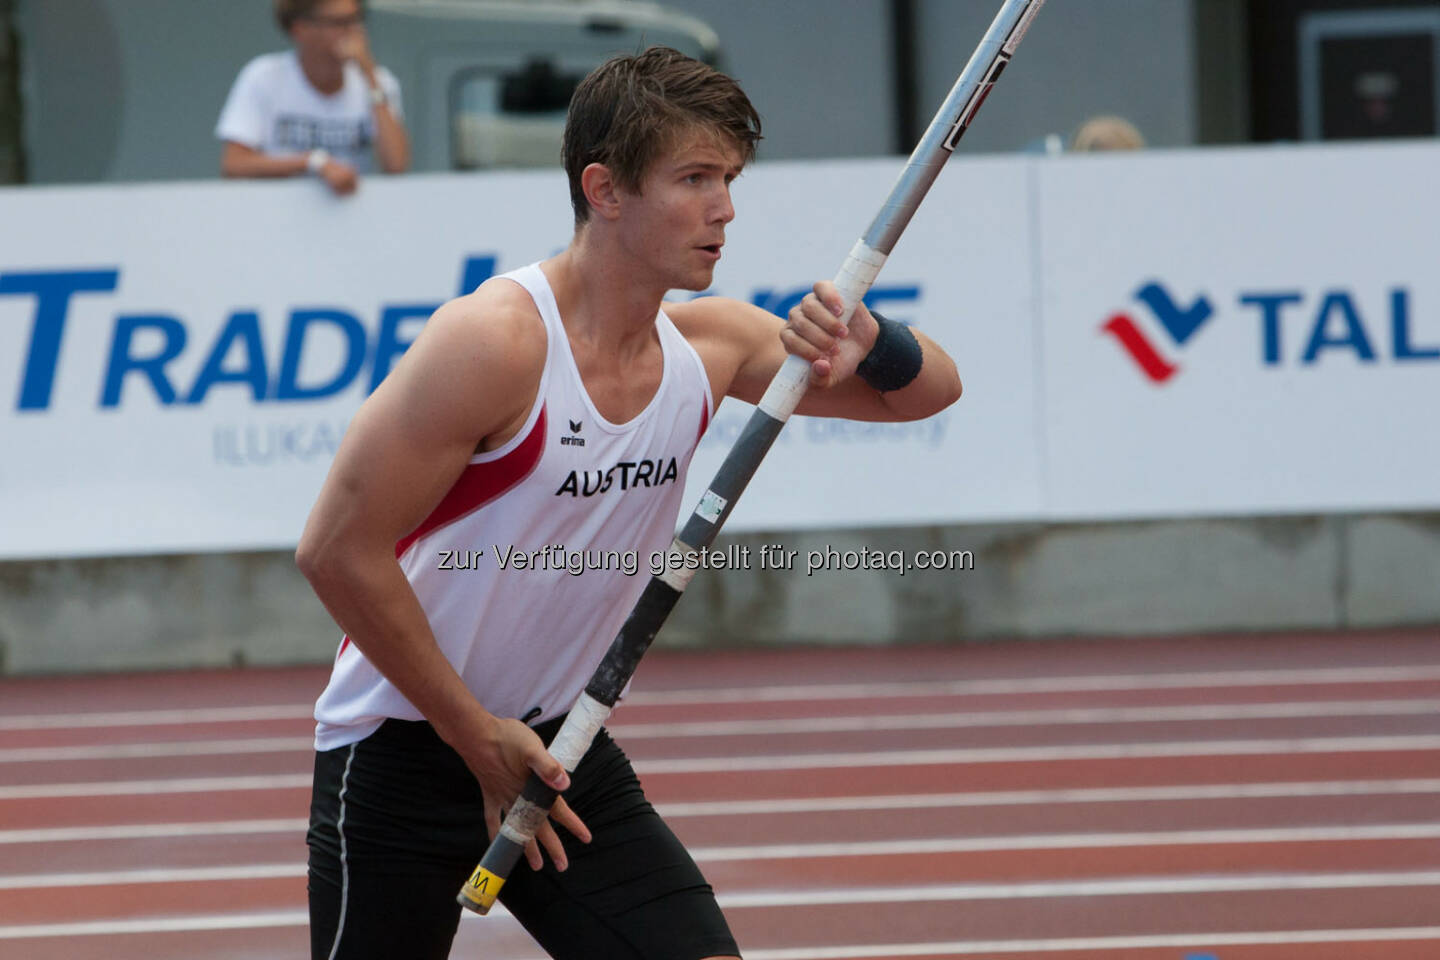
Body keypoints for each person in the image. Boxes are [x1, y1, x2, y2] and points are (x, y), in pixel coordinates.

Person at [296, 46, 962, 960]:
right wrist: (471, 733)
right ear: (604, 190)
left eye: (729, 178)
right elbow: (335, 550)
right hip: (404, 749)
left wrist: (870, 340)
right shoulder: (494, 343)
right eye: (693, 178)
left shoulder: (714, 343)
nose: (724, 207)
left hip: (561, 748)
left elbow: (928, 393)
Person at [216, 0, 409, 196]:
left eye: (356, 20)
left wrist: (369, 73)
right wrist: (313, 162)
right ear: (300, 29)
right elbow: (234, 165)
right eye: (338, 22)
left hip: (354, 219)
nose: (353, 32)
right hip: (277, 216)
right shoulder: (264, 77)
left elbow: (395, 166)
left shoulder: (379, 82)